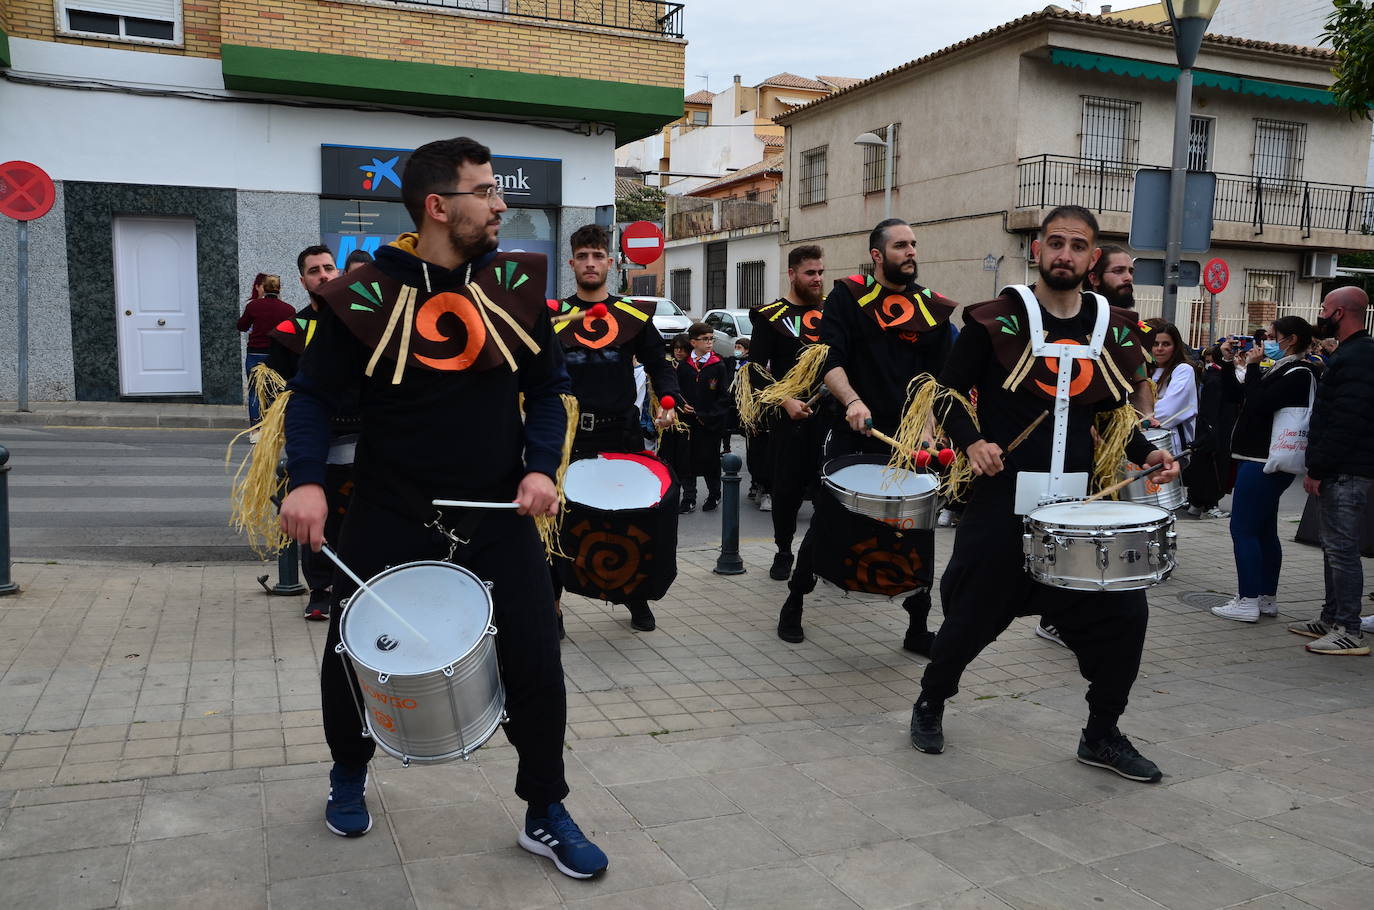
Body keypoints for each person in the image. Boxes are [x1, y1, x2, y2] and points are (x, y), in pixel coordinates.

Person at [277, 137, 607, 878]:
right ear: (437, 206)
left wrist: (539, 468)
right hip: (391, 512)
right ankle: (348, 770)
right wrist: (305, 480)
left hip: (498, 514)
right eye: (485, 191)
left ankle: (544, 807)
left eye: (497, 191)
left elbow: (549, 391)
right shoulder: (362, 293)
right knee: (351, 657)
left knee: (536, 659)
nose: (500, 204)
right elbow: (313, 398)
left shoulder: (514, 284)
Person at [909, 206, 1179, 783]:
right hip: (1002, 502)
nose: (1065, 254)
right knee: (969, 620)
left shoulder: (1110, 325)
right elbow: (947, 395)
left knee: (1126, 617)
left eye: (1078, 246)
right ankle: (930, 703)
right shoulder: (994, 318)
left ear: (1092, 258)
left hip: (1079, 512)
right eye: (1055, 243)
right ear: (1037, 249)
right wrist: (973, 441)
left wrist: (1147, 453)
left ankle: (1101, 732)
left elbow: (1109, 410)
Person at [777, 220, 955, 652]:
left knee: (918, 532)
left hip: (908, 438)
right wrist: (853, 401)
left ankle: (916, 628)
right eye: (900, 245)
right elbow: (830, 360)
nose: (910, 251)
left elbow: (938, 380)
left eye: (913, 244)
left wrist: (930, 429)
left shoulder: (932, 308)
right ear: (877, 255)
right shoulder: (847, 297)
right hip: (855, 430)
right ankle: (795, 601)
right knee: (828, 519)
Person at [549, 223, 678, 633]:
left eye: (597, 256)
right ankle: (552, 607)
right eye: (582, 257)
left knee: (629, 518)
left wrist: (669, 402)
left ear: (611, 262)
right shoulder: (553, 317)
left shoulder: (633, 316)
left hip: (620, 434)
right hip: (568, 438)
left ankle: (635, 598)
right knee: (557, 523)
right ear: (572, 263)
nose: (590, 263)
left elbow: (659, 363)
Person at [263, 245, 351, 621]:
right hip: (316, 446)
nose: (324, 275)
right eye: (314, 271)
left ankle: (356, 589)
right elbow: (279, 393)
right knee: (320, 519)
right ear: (303, 281)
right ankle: (321, 590)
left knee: (359, 522)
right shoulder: (289, 333)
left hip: (365, 444)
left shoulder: (362, 323)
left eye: (329, 268)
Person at [1210, 317, 1317, 623]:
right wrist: (1230, 361)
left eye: (1272, 336)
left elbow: (1257, 403)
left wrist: (1254, 367)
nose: (1265, 341)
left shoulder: (1300, 372)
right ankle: (1265, 599)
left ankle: (1247, 601)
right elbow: (1236, 396)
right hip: (1258, 459)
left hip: (1264, 462)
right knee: (1264, 530)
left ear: (1291, 339)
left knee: (1242, 529)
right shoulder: (1282, 368)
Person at [1291, 287, 1374, 655]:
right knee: (1333, 547)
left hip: (1346, 469)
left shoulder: (1359, 356)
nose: (1320, 314)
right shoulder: (1351, 353)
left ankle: (1348, 629)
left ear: (1340, 313)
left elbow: (1346, 420)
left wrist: (1320, 467)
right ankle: (1330, 617)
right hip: (1341, 466)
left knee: (1342, 549)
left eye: (1324, 308)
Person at [749, 245, 826, 580]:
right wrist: (785, 402)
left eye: (821, 273)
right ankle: (783, 551)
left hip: (830, 418)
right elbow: (754, 371)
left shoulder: (834, 314)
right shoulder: (771, 317)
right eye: (810, 273)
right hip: (788, 418)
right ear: (792, 274)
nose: (817, 279)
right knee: (786, 491)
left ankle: (820, 556)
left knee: (828, 492)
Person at [1183, 342, 1242, 520]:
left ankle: (1198, 503)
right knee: (1214, 468)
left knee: (1205, 466)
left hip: (1212, 429)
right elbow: (1213, 408)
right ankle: (1209, 504)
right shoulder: (1216, 378)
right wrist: (1212, 431)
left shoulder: (1215, 376)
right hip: (1217, 430)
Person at [676, 322, 729, 513]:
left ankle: (714, 494)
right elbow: (677, 391)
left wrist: (708, 415)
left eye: (711, 339)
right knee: (686, 460)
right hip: (687, 422)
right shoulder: (684, 366)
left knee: (710, 460)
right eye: (704, 339)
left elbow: (723, 397)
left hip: (709, 422)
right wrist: (681, 405)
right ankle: (689, 497)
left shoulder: (718, 365)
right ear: (693, 342)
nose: (709, 343)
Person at [236, 274, 294, 429]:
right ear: (279, 288)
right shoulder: (289, 309)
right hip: (277, 355)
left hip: (255, 353)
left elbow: (241, 326)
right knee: (277, 390)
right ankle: (275, 427)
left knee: (255, 391)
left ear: (264, 287)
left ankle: (256, 430)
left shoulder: (253, 306)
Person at [1145, 322, 1197, 460]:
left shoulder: (1183, 370)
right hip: (1143, 447)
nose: (1159, 348)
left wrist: (1139, 418)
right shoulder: (1144, 370)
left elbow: (1168, 411)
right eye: (1155, 344)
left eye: (1166, 344)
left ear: (1176, 347)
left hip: (1171, 447)